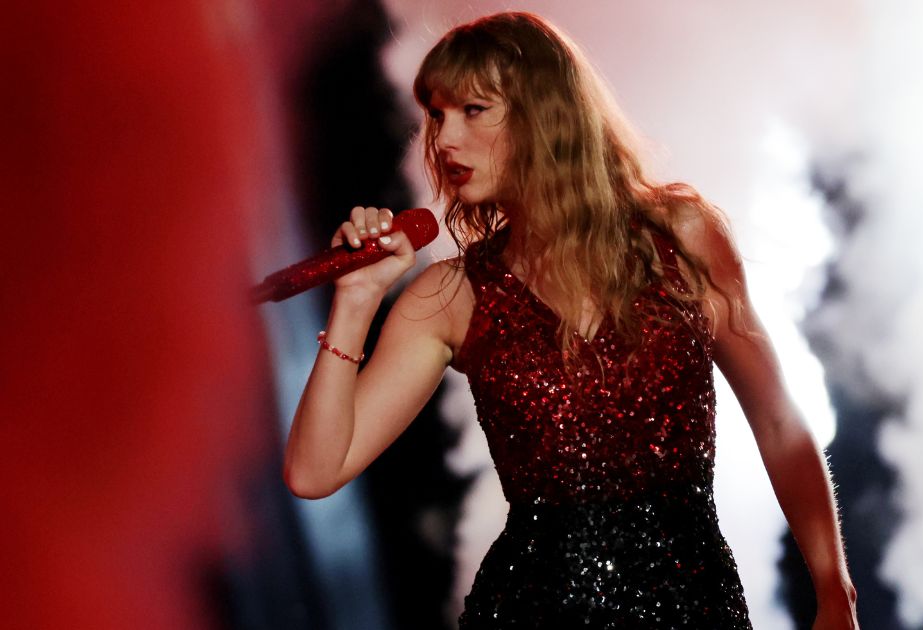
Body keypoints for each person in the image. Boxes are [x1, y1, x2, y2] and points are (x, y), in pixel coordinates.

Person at [284, 11, 858, 629]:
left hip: (692, 607)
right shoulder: (450, 295)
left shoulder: (684, 238)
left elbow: (776, 418)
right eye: (436, 115)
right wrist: (357, 300)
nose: (444, 139)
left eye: (472, 110)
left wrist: (834, 589)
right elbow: (316, 470)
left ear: (543, 112)